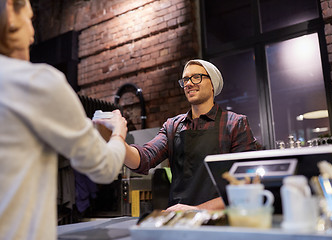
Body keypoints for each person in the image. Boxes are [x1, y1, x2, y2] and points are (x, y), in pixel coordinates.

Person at [0, 0, 128, 239]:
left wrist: (79, 129)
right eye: (29, 19)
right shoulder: (37, 82)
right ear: (10, 12)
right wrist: (119, 133)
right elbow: (104, 168)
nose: (32, 34)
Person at [124, 59, 257, 211]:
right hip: (181, 221)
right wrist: (118, 143)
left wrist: (196, 210)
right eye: (185, 79)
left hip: (219, 220)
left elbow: (247, 184)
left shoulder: (234, 123)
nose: (188, 83)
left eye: (196, 77)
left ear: (212, 84)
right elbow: (145, 158)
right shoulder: (173, 126)